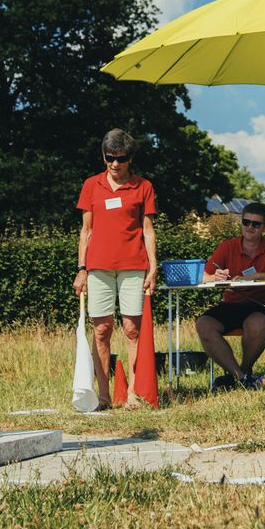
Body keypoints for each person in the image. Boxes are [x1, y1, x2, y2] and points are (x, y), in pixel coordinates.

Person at [74, 129, 157, 409]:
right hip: (98, 267)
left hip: (134, 265)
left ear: (130, 159)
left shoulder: (143, 186)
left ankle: (133, 392)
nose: (114, 164)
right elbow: (86, 230)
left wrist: (153, 267)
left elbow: (148, 230)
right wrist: (81, 269)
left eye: (120, 159)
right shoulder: (91, 185)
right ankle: (104, 395)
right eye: (109, 158)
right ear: (103, 156)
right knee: (101, 330)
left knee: (133, 329)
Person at [196, 201, 265, 389]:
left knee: (256, 323)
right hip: (234, 304)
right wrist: (213, 277)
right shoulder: (228, 246)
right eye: (246, 222)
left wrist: (256, 276)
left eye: (256, 224)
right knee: (203, 324)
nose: (250, 227)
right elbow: (203, 275)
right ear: (241, 223)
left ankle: (241, 373)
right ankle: (242, 378)